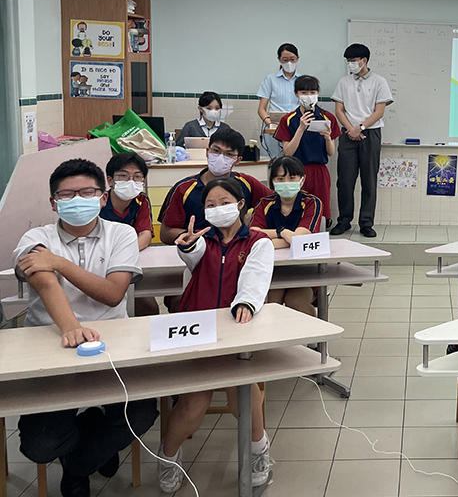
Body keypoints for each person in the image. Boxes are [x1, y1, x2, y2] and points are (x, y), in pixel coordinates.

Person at [13, 159, 158, 497]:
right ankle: (94, 443)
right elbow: (45, 283)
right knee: (38, 446)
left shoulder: (121, 234)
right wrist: (71, 329)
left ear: (103, 197)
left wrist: (59, 261)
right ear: (53, 203)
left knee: (140, 415)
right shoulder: (36, 237)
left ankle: (78, 466)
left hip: (114, 346)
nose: (77, 199)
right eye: (67, 195)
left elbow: (112, 294)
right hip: (51, 347)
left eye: (87, 192)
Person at [157, 177, 274, 493]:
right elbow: (193, 257)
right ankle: (168, 458)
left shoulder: (257, 242)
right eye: (210, 204)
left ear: (240, 205)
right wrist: (187, 245)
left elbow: (255, 278)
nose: (217, 208)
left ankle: (259, 452)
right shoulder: (202, 240)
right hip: (199, 330)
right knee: (193, 402)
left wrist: (245, 303)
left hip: (238, 329)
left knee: (244, 393)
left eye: (224, 203)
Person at [158, 128, 273, 245]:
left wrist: (255, 218)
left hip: (238, 249)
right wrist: (193, 236)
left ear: (238, 160)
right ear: (207, 152)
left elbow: (276, 201)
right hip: (198, 249)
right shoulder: (183, 189)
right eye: (216, 151)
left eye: (229, 154)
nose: (221, 157)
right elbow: (165, 234)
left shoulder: (247, 183)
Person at [330, 43, 394, 238]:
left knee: (369, 180)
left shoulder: (379, 82)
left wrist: (361, 127)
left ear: (364, 60)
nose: (351, 64)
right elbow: (339, 110)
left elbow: (379, 111)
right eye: (348, 61)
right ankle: (344, 220)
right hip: (348, 134)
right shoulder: (344, 82)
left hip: (370, 134)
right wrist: (351, 129)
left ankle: (366, 223)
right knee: (345, 180)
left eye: (354, 60)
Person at [251, 156, 323, 315]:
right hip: (271, 268)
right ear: (273, 181)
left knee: (296, 302)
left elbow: (300, 239)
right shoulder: (264, 203)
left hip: (305, 269)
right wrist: (282, 232)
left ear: (302, 179)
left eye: (292, 178)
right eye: (280, 178)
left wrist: (270, 240)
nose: (286, 182)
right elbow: (253, 235)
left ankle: (309, 331)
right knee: (271, 303)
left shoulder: (312, 202)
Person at [274, 75, 341, 226]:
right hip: (295, 172)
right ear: (296, 94)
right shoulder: (288, 119)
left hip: (319, 171)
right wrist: (301, 129)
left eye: (312, 92)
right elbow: (288, 152)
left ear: (317, 93)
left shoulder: (328, 117)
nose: (308, 96)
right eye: (304, 92)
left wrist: (328, 138)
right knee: (296, 210)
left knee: (320, 212)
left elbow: (331, 152)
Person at [99, 151, 158, 315]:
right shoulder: (99, 202)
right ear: (110, 180)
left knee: (149, 308)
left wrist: (122, 254)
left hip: (127, 262)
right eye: (123, 176)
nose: (131, 181)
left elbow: (145, 235)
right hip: (99, 264)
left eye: (137, 176)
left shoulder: (141, 200)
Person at [257, 43, 301, 158]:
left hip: (296, 127)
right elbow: (261, 109)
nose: (289, 63)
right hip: (274, 127)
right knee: (273, 162)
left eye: (292, 59)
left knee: (295, 163)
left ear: (297, 59)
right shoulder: (270, 79)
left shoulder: (302, 80)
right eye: (285, 60)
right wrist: (269, 123)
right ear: (279, 60)